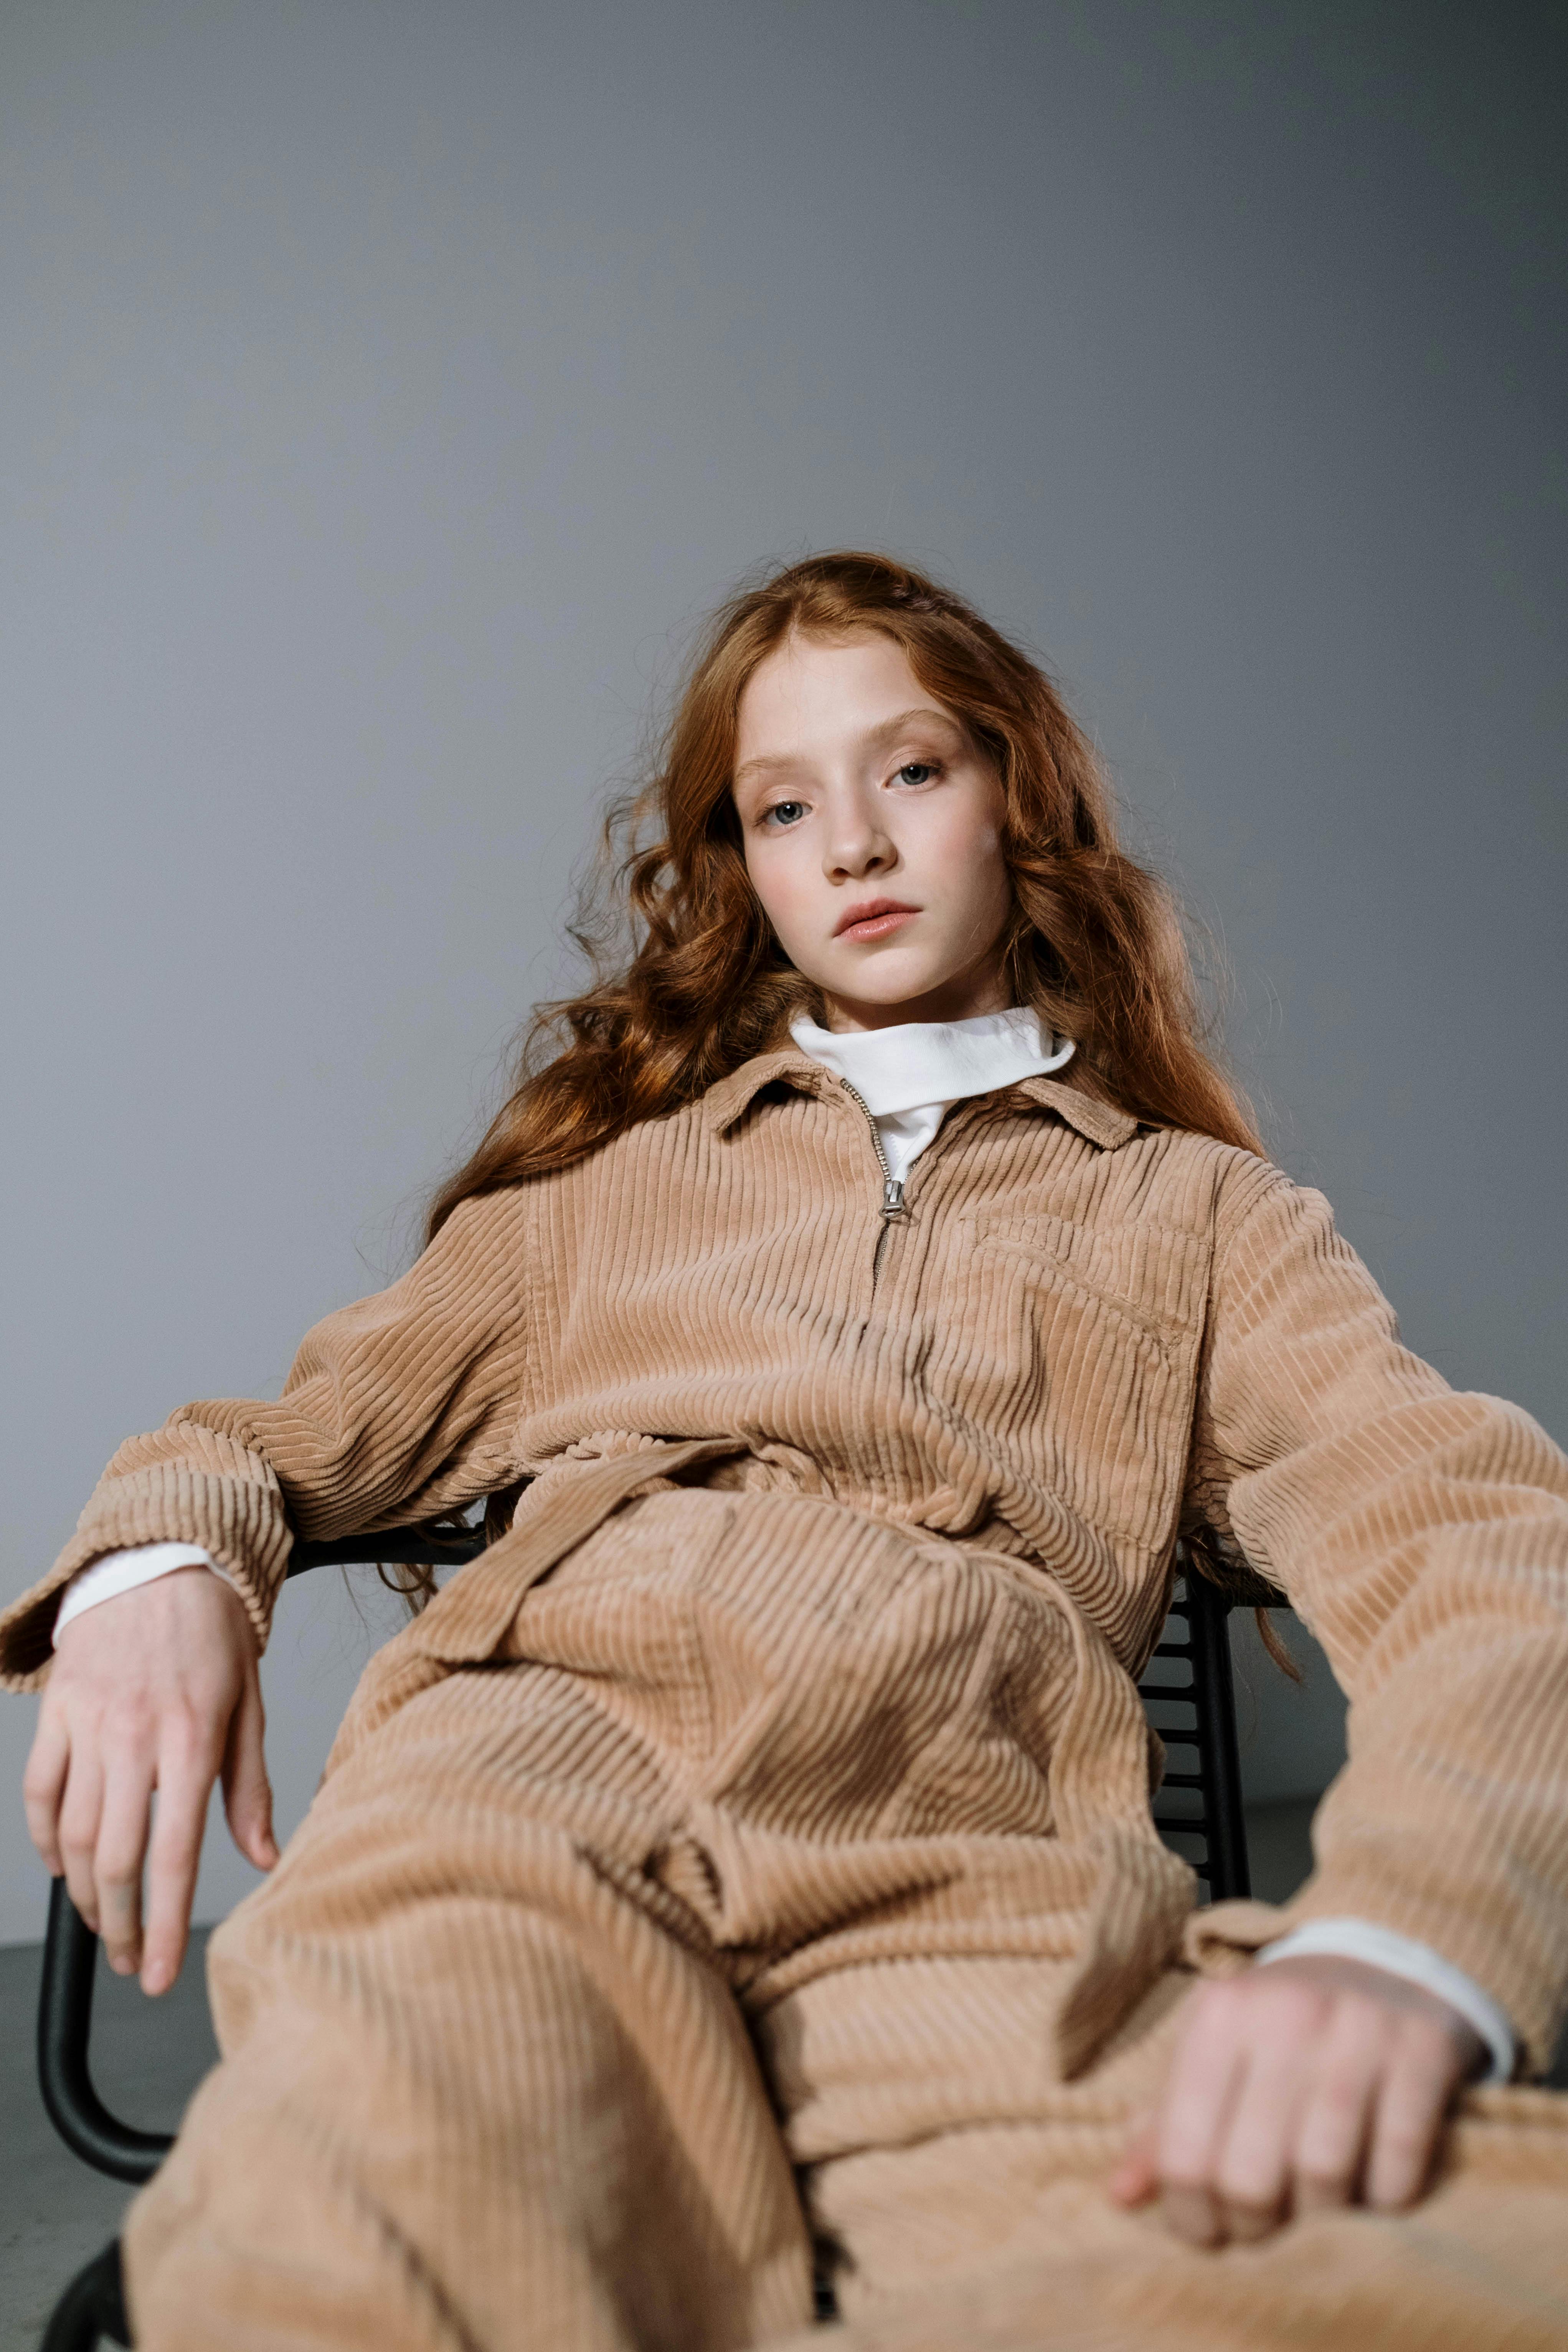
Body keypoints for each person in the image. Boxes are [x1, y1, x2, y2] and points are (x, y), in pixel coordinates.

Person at [6, 551, 1567, 2352]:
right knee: (368, 2217)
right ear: (740, 866)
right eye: (780, 804)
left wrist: (1408, 1936)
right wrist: (166, 1564)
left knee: (1384, 2265)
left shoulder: (1203, 1220)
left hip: (958, 1843)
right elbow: (263, 1442)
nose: (853, 846)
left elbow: (1466, 1536)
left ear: (1016, 798)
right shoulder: (600, 1198)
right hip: (526, 1764)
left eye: (911, 770)